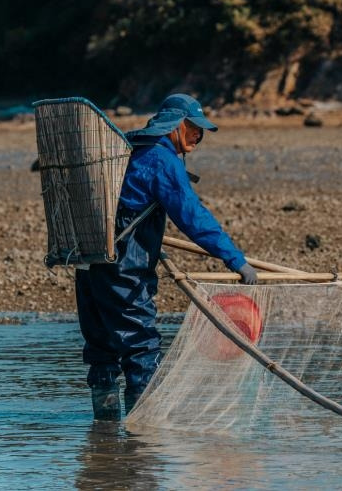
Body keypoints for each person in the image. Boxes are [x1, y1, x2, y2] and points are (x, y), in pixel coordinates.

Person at [75, 93, 257, 420]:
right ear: (174, 126)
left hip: (89, 263)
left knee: (101, 353)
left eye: (201, 131)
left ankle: (103, 442)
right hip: (123, 269)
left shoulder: (128, 150)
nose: (198, 137)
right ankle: (142, 442)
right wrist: (235, 260)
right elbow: (192, 216)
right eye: (193, 128)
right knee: (141, 348)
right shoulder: (161, 159)